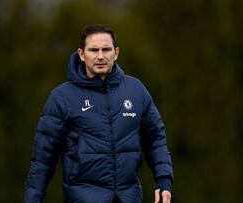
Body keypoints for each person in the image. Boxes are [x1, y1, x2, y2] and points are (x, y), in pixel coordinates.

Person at [24, 24, 174, 203]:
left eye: (106, 49)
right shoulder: (62, 98)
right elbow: (42, 160)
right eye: (94, 50)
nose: (101, 56)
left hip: (129, 197)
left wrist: (164, 183)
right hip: (83, 197)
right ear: (81, 54)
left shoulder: (136, 90)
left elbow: (156, 140)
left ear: (116, 53)